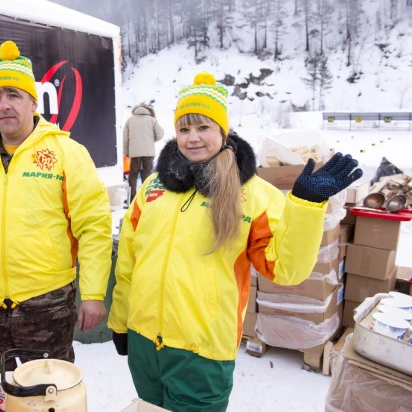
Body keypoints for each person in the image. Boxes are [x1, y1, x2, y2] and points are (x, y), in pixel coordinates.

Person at [108, 73, 362, 411]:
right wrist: (120, 322)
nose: (192, 138)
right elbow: (128, 263)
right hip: (143, 344)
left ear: (223, 129)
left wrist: (305, 205)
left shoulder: (255, 195)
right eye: (184, 129)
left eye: (203, 127)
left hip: (201, 352)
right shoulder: (154, 186)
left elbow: (286, 270)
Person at [0, 40, 112, 374]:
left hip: (46, 302)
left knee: (49, 394)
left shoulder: (66, 153)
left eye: (13, 95)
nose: (4, 105)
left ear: (33, 101)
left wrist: (92, 293)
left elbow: (93, 227)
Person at [123, 104, 165, 200]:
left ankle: (131, 198)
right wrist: (151, 140)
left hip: (134, 152)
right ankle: (147, 196)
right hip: (148, 152)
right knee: (147, 173)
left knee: (133, 174)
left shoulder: (130, 120)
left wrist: (126, 151)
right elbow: (160, 134)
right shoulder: (151, 120)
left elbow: (125, 138)